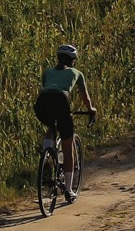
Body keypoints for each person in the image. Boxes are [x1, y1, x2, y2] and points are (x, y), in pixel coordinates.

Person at [34, 43, 97, 190]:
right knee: (67, 148)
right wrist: (91, 109)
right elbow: (85, 97)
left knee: (52, 125)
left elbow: (47, 88)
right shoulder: (76, 73)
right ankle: (69, 189)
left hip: (42, 102)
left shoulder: (47, 72)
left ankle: (46, 155)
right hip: (60, 100)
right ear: (72, 60)